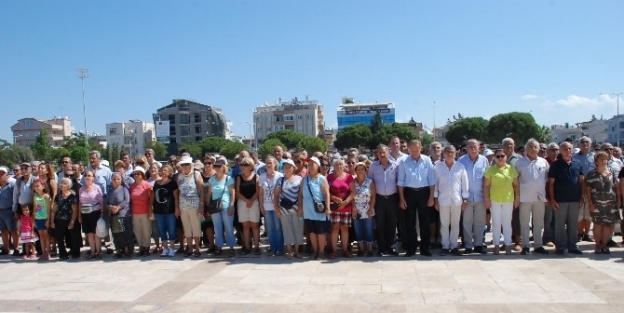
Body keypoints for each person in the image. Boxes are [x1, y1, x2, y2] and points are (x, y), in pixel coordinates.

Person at [397, 140, 435, 257]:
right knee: (410, 222)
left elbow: (432, 180)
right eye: (412, 150)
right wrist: (402, 199)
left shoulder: (427, 160)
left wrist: (431, 197)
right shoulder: (403, 161)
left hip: (424, 192)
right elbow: (401, 182)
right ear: (408, 149)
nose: (414, 152)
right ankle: (411, 248)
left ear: (421, 148)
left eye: (417, 150)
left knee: (425, 222)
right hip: (409, 193)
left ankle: (425, 248)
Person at [548, 142, 584, 255]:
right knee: (560, 224)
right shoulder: (555, 165)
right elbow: (551, 183)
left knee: (573, 224)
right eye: (564, 148)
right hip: (560, 200)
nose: (567, 150)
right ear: (560, 151)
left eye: (569, 148)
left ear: (572, 150)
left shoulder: (578, 163)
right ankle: (560, 247)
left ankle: (572, 246)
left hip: (575, 199)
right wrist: (552, 199)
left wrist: (583, 196)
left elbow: (581, 181)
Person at [515, 139, 549, 255]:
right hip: (524, 197)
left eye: (535, 147)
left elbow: (547, 179)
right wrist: (517, 197)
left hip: (540, 197)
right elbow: (515, 181)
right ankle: (525, 245)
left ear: (538, 149)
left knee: (539, 223)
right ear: (526, 149)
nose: (532, 149)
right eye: (529, 146)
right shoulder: (519, 163)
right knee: (524, 223)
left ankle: (538, 245)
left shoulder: (543, 162)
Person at [433, 146, 469, 256]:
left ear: (455, 154)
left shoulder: (460, 167)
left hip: (457, 200)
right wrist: (435, 199)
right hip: (443, 200)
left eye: (452, 152)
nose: (449, 154)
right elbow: (435, 185)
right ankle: (445, 246)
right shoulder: (438, 167)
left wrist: (465, 199)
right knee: (444, 225)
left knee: (455, 224)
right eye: (447, 152)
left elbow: (465, 184)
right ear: (443, 153)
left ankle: (454, 246)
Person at [484, 149, 519, 255]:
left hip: (508, 200)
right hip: (494, 200)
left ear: (506, 157)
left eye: (502, 156)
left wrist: (517, 198)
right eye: (498, 156)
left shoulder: (511, 169)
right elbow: (486, 186)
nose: (500, 158)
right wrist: (487, 199)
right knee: (496, 224)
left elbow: (516, 185)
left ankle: (508, 245)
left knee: (507, 223)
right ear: (494, 158)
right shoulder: (490, 170)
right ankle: (496, 245)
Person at [367, 144, 400, 256]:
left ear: (388, 153)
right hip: (379, 199)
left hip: (392, 198)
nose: (381, 154)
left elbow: (399, 182)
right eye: (379, 152)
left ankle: (391, 247)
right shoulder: (373, 167)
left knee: (392, 223)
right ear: (377, 154)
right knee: (380, 224)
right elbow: (370, 183)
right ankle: (381, 248)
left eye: (383, 152)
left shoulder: (396, 165)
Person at [458, 139, 489, 254]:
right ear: (466, 148)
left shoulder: (484, 160)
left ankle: (478, 245)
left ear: (479, 147)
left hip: (480, 197)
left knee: (480, 223)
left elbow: (487, 178)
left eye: (475, 146)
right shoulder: (461, 161)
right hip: (466, 198)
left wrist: (487, 197)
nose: (473, 148)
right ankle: (468, 245)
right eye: (470, 146)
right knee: (467, 222)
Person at [587, 152, 620, 254]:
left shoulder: (611, 172)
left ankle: (604, 245)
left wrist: (618, 199)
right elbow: (587, 190)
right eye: (601, 159)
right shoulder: (592, 174)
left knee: (607, 225)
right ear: (596, 161)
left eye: (605, 159)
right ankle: (597, 245)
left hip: (611, 204)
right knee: (597, 225)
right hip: (597, 204)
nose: (603, 161)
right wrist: (590, 203)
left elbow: (616, 187)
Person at [300, 156, 331, 260]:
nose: (310, 166)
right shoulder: (304, 179)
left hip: (319, 211)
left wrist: (327, 208)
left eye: (312, 164)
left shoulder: (322, 179)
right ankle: (315, 250)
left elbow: (326, 194)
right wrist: (300, 208)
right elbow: (300, 195)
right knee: (312, 232)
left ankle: (321, 252)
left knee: (321, 232)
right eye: (309, 164)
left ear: (318, 166)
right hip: (308, 211)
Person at [327, 158, 356, 259]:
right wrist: (332, 197)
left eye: (340, 165)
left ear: (344, 166)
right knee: (334, 228)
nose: (339, 166)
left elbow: (353, 192)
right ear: (333, 166)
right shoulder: (329, 177)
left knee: (344, 229)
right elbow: (325, 192)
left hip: (346, 207)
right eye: (336, 165)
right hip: (334, 207)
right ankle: (334, 251)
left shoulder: (349, 177)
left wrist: (346, 202)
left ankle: (345, 250)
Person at [275, 159, 303, 258]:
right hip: (284, 210)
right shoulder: (280, 180)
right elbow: (276, 196)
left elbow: (300, 195)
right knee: (287, 230)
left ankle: (297, 251)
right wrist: (277, 209)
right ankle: (289, 252)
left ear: (293, 168)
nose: (287, 169)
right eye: (285, 167)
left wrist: (300, 208)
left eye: (289, 167)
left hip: (296, 210)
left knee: (298, 230)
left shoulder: (299, 179)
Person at [176, 156, 204, 257]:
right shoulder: (179, 176)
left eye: (186, 164)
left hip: (195, 205)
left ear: (191, 165)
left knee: (196, 227)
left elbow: (201, 190)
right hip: (183, 206)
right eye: (183, 165)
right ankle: (190, 248)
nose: (185, 166)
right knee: (186, 227)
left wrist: (201, 205)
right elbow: (178, 192)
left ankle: (197, 248)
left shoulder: (197, 174)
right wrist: (177, 207)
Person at [208, 157, 236, 256]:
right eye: (215, 166)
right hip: (215, 207)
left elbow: (233, 193)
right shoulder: (212, 179)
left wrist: (232, 206)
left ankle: (232, 246)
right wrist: (208, 206)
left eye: (219, 166)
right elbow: (209, 194)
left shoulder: (228, 178)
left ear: (223, 167)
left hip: (226, 205)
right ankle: (219, 246)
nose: (217, 168)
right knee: (217, 227)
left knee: (229, 227)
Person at [258, 156, 284, 256]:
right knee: (270, 229)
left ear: (275, 164)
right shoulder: (262, 176)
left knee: (278, 228)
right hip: (266, 206)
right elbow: (260, 193)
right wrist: (261, 206)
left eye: (270, 163)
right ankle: (273, 247)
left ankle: (279, 248)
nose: (268, 165)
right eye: (267, 163)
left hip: (277, 206)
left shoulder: (280, 176)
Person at [235, 156, 261, 255]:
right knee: (245, 226)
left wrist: (251, 201)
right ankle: (247, 246)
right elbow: (237, 192)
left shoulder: (256, 177)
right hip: (242, 202)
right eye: (241, 164)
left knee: (255, 225)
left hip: (254, 202)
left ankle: (257, 247)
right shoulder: (238, 177)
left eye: (245, 165)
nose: (243, 166)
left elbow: (258, 191)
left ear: (251, 166)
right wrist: (246, 201)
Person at [152, 164, 179, 257]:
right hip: (158, 210)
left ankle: (171, 248)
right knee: (162, 230)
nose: (163, 172)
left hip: (170, 211)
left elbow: (176, 197)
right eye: (162, 170)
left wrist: (176, 209)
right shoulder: (156, 183)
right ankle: (165, 248)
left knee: (171, 230)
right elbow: (153, 197)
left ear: (170, 173)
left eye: (166, 170)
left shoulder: (172, 183)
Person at [51, 177, 80, 260]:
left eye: (64, 183)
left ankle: (75, 253)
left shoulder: (73, 196)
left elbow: (75, 211)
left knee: (73, 236)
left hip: (70, 218)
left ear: (69, 186)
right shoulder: (58, 196)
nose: (61, 185)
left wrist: (72, 221)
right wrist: (52, 220)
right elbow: (54, 209)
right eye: (61, 183)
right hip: (59, 219)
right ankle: (62, 254)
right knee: (59, 237)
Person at [502, 138, 522, 252]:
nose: (509, 146)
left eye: (511, 144)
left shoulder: (519, 159)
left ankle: (517, 242)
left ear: (514, 146)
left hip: (515, 193)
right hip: (501, 194)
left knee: (516, 219)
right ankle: (506, 241)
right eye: (506, 144)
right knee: (504, 220)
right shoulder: (498, 159)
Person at [79, 170, 104, 259]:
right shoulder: (81, 188)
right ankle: (92, 252)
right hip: (85, 214)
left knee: (96, 234)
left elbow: (101, 201)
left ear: (93, 178)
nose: (87, 177)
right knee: (89, 234)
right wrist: (79, 216)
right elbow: (80, 203)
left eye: (89, 175)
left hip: (95, 213)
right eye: (86, 175)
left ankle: (98, 252)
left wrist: (102, 213)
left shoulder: (97, 188)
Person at [573, 136, 594, 242]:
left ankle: (587, 234)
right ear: (579, 144)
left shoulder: (595, 157)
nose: (585, 143)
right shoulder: (575, 157)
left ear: (590, 144)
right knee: (580, 213)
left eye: (587, 142)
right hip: (578, 187)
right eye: (582, 142)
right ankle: (579, 233)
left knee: (589, 212)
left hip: (592, 188)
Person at [352, 162, 376, 257]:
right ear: (355, 171)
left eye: (362, 169)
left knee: (368, 230)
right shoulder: (352, 182)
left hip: (367, 210)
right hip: (356, 210)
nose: (360, 171)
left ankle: (370, 250)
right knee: (358, 230)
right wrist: (353, 208)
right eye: (358, 169)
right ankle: (361, 249)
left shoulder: (370, 182)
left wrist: (371, 208)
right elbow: (351, 196)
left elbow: (373, 196)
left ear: (366, 170)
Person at [107, 173, 133, 259]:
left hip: (123, 214)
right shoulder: (110, 190)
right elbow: (107, 203)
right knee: (116, 233)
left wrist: (118, 207)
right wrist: (111, 207)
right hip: (113, 215)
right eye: (114, 179)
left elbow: (127, 200)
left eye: (118, 179)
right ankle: (119, 250)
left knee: (125, 233)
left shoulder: (124, 189)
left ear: (121, 180)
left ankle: (127, 250)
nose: (116, 181)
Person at [12, 162, 35, 256]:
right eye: (23, 168)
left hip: (31, 207)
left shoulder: (34, 179)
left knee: (33, 228)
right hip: (21, 207)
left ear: (30, 169)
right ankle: (25, 250)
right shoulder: (18, 180)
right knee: (23, 228)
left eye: (26, 168)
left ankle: (34, 250)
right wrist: (15, 210)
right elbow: (15, 195)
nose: (24, 170)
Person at [129, 167, 153, 257]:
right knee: (137, 231)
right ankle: (141, 248)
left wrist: (150, 210)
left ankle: (147, 248)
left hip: (145, 211)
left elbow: (151, 199)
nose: (136, 175)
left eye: (138, 174)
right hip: (135, 212)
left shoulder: (147, 185)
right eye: (134, 174)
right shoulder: (131, 186)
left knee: (146, 231)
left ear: (142, 175)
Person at [32, 180, 52, 260]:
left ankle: (48, 253)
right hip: (38, 218)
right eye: (34, 186)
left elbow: (49, 209)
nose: (36, 188)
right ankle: (43, 252)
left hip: (45, 218)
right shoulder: (35, 196)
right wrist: (33, 218)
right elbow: (34, 207)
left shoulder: (46, 196)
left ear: (43, 186)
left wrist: (48, 219)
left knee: (46, 236)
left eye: (38, 186)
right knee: (41, 236)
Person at [0, 166, 18, 256]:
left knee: (13, 230)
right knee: (3, 230)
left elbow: (15, 198)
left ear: (7, 175)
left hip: (9, 210)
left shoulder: (12, 184)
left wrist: (15, 211)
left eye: (2, 173)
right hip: (0, 211)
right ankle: (5, 248)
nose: (1, 175)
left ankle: (16, 248)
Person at [201, 155, 216, 253]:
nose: (207, 165)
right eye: (205, 163)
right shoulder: (200, 175)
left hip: (216, 203)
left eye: (209, 163)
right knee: (208, 225)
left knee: (217, 225)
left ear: (213, 164)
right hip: (205, 203)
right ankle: (211, 244)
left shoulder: (216, 174)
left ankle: (218, 244)